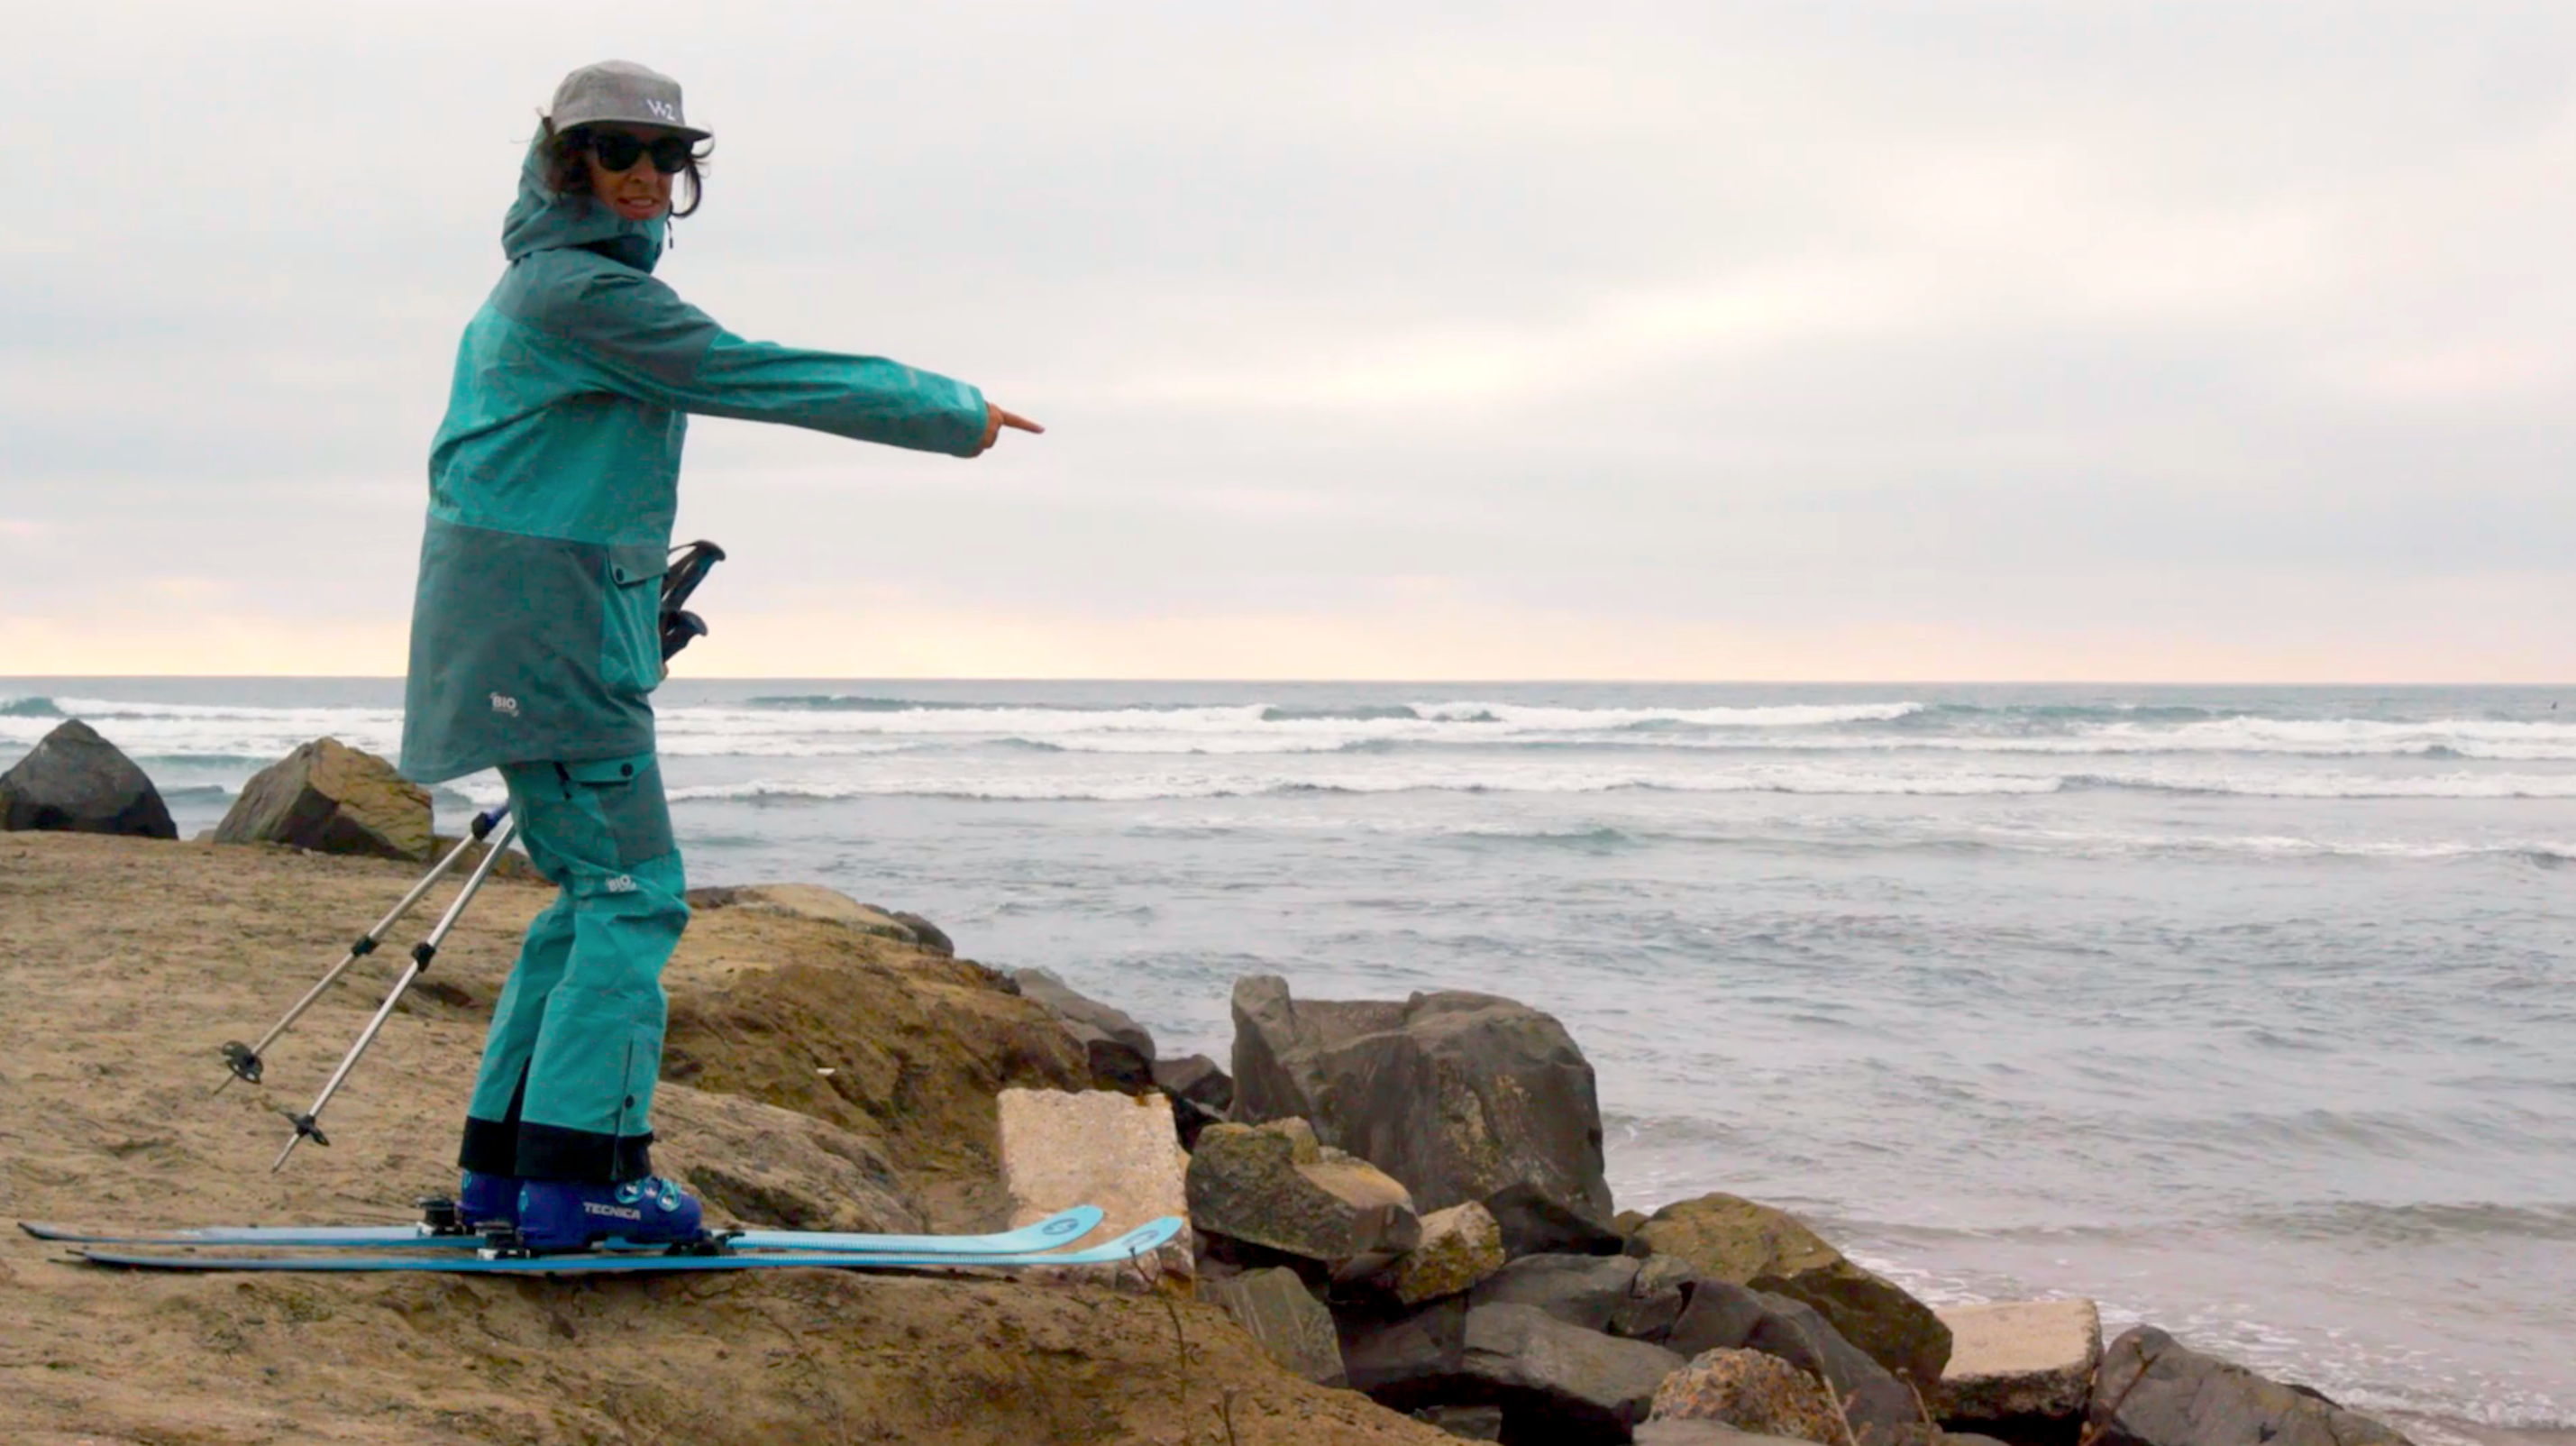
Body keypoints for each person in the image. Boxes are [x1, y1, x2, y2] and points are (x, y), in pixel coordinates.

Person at [397, 60, 1039, 1252]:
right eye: (615, 152)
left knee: (586, 897)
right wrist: (952, 415)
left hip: (527, 629)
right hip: (544, 639)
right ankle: (589, 1182)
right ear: (564, 160)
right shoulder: (582, 297)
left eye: (665, 157)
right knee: (638, 900)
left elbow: (546, 484)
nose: (644, 176)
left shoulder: (544, 289)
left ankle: (508, 1172)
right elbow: (754, 373)